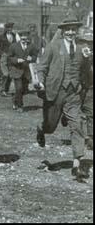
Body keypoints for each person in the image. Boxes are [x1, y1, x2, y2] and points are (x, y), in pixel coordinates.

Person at [36, 18, 92, 181]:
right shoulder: (53, 47)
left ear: (77, 31)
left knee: (77, 125)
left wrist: (88, 59)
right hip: (55, 92)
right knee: (50, 126)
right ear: (62, 31)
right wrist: (40, 81)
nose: (70, 32)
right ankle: (41, 128)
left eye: (73, 29)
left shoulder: (83, 49)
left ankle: (77, 165)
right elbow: (42, 67)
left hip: (73, 94)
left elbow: (86, 71)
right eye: (68, 29)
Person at [7, 30, 37, 112]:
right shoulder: (13, 46)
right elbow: (9, 57)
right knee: (19, 88)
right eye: (22, 39)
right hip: (16, 70)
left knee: (24, 90)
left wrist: (32, 58)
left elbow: (35, 56)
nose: (24, 41)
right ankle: (20, 106)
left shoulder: (32, 46)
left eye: (26, 39)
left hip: (27, 71)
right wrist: (16, 60)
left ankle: (14, 99)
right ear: (20, 38)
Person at [76, 28, 93, 150]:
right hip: (77, 87)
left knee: (90, 112)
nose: (88, 44)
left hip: (90, 87)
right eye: (85, 41)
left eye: (91, 42)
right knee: (75, 110)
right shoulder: (76, 53)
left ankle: (90, 137)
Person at [0, 22, 17, 97]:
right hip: (3, 58)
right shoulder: (0, 37)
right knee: (5, 74)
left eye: (11, 28)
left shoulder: (14, 36)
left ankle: (6, 90)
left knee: (10, 75)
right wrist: (2, 53)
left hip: (11, 58)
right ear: (6, 29)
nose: (10, 29)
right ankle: (2, 90)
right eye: (8, 28)